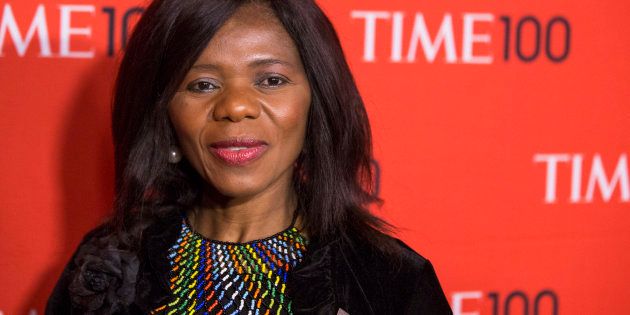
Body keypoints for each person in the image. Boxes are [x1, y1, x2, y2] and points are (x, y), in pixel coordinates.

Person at [46, 0, 452, 314]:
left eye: (271, 80)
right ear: (165, 117)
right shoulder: (105, 264)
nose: (236, 106)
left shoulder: (389, 281)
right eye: (202, 85)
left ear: (317, 105)